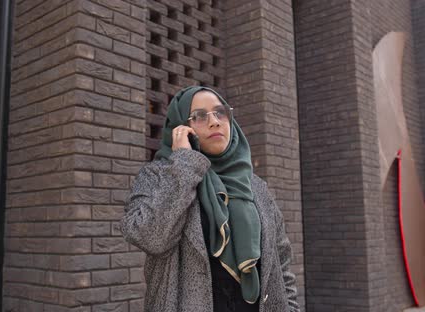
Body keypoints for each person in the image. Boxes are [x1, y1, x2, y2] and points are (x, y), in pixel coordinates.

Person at [120, 86, 301, 312]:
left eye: (220, 112)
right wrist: (184, 163)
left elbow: (280, 260)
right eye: (199, 116)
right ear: (181, 128)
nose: (214, 122)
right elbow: (148, 237)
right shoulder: (158, 176)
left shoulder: (255, 186)